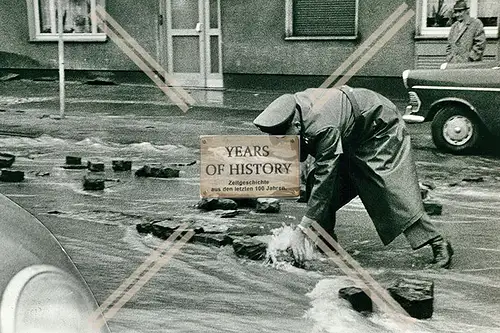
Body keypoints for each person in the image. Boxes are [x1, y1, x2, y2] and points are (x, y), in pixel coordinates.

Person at [253, 86, 454, 268]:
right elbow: (308, 156)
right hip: (350, 132)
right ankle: (327, 246)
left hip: (379, 126)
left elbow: (327, 174)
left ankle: (438, 242)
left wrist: (303, 228)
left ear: (296, 125)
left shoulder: (322, 126)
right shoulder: (293, 109)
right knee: (316, 183)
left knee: (391, 191)